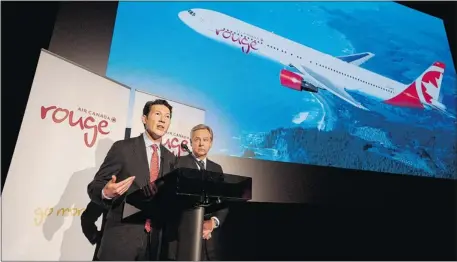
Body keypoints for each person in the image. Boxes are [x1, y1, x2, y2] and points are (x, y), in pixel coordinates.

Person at [87, 99, 177, 261]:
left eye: (167, 116)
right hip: (121, 240)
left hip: (154, 245)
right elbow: (95, 185)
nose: (163, 120)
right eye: (157, 114)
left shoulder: (171, 158)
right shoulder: (123, 148)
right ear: (144, 118)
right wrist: (105, 192)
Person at [174, 124, 229, 261]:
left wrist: (213, 222)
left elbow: (223, 200)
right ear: (191, 142)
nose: (201, 143)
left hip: (210, 242)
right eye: (197, 139)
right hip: (183, 238)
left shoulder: (216, 169)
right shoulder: (178, 163)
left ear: (210, 143)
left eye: (205, 140)